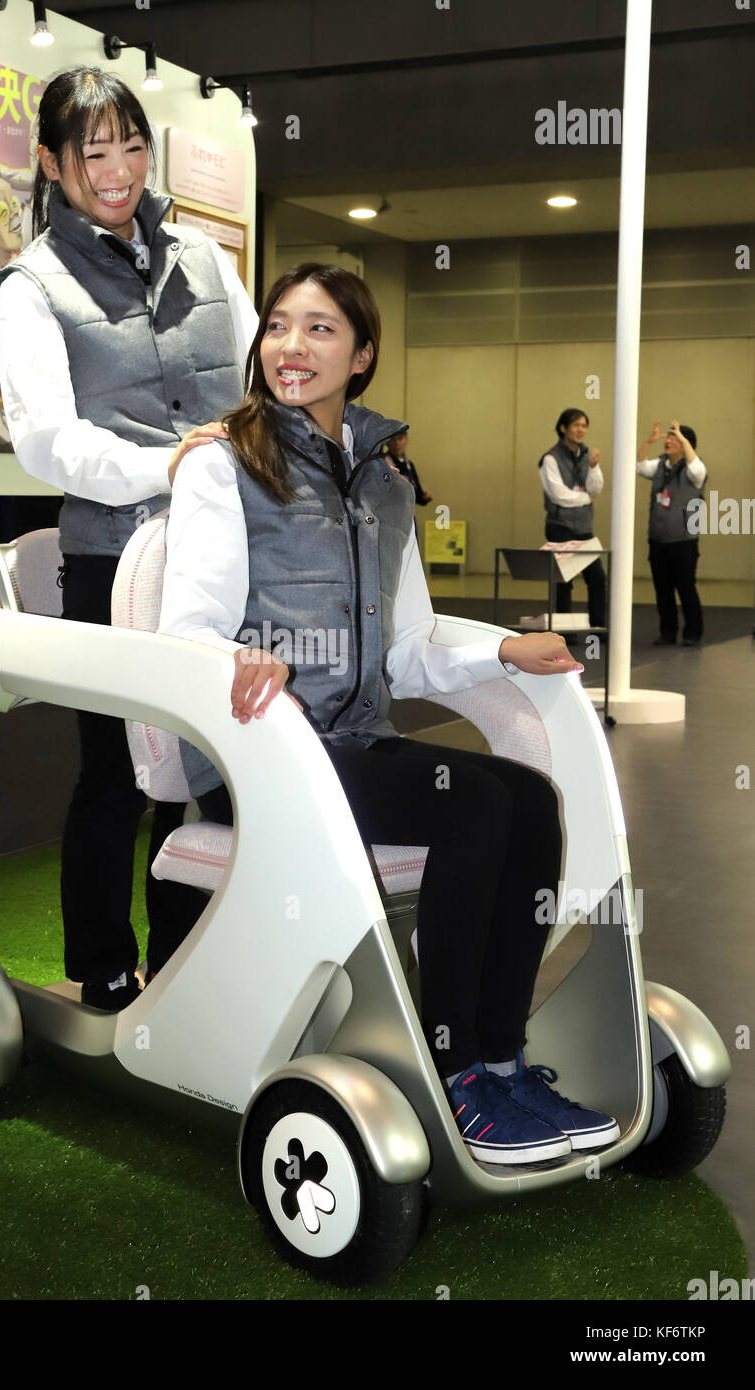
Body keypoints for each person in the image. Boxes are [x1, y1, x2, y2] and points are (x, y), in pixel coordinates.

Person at [158, 263, 620, 1166]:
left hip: (354, 748)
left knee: (528, 798)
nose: (291, 347)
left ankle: (497, 1058)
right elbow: (187, 630)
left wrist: (501, 651)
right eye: (279, 326)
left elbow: (405, 650)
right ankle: (450, 1073)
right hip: (262, 756)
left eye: (320, 330)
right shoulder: (222, 461)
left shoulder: (384, 481)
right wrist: (236, 656)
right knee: (478, 805)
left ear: (362, 355)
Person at [0, 67, 258, 1011]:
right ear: (55, 164)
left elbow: (259, 377)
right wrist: (172, 467)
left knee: (231, 765)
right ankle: (104, 971)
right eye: (93, 152)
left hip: (231, 549)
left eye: (132, 147)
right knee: (121, 773)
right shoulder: (31, 285)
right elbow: (46, 441)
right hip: (115, 556)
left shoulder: (204, 257)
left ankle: (194, 969)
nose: (117, 170)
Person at [636, 420, 706, 647]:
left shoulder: (693, 469)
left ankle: (693, 633)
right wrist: (648, 441)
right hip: (658, 540)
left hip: (684, 541)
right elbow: (638, 466)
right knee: (663, 590)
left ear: (686, 444)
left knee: (686, 587)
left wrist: (684, 440)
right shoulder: (660, 465)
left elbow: (698, 471)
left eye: (674, 438)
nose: (668, 441)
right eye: (668, 437)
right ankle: (667, 633)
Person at [539, 409, 606, 628]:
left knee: (597, 577)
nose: (581, 430)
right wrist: (586, 497)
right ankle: (563, 631)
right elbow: (559, 495)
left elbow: (597, 487)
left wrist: (594, 467)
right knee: (563, 581)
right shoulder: (550, 458)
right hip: (560, 526)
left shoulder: (587, 455)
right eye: (576, 425)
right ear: (563, 428)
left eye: (584, 425)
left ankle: (598, 625)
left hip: (584, 526)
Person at [385, 431, 432, 506]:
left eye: (400, 439)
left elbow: (416, 493)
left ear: (406, 440)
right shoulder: (383, 463)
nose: (397, 443)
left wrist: (424, 497)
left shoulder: (409, 465)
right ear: (387, 442)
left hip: (407, 513)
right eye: (393, 439)